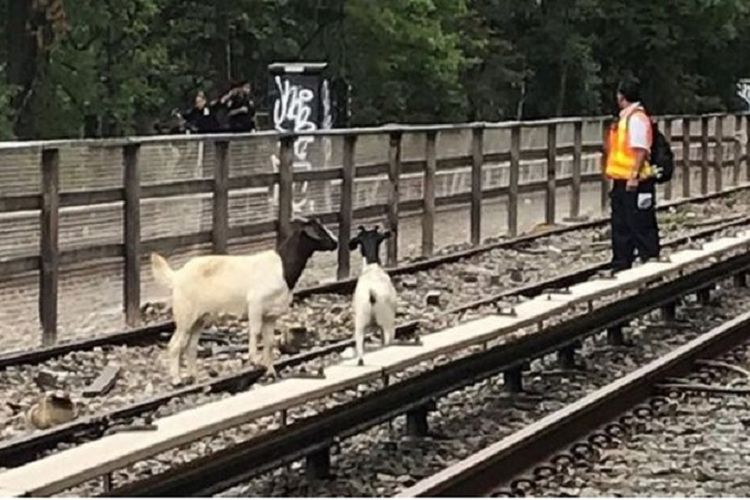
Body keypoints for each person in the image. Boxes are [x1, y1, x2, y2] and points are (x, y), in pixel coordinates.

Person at [605, 76, 660, 271]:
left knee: (640, 223)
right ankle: (622, 263)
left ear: (621, 96)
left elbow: (640, 149)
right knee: (622, 225)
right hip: (623, 180)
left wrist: (633, 176)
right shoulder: (626, 118)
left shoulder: (635, 118)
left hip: (635, 181)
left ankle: (650, 262)